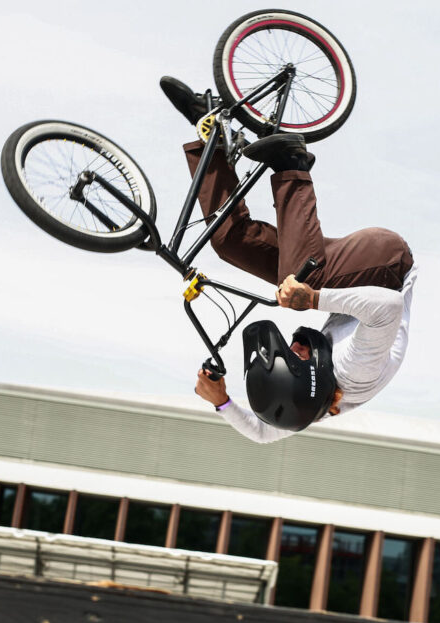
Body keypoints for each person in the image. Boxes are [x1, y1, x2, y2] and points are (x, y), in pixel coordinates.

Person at [160, 77, 417, 443]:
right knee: (301, 284)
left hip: (344, 275)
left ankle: (212, 132)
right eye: (296, 355)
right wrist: (311, 299)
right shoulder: (354, 371)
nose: (296, 345)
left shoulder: (307, 402)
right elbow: (388, 307)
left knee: (233, 242)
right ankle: (291, 162)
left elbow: (264, 434)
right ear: (312, 373)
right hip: (388, 265)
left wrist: (222, 403)